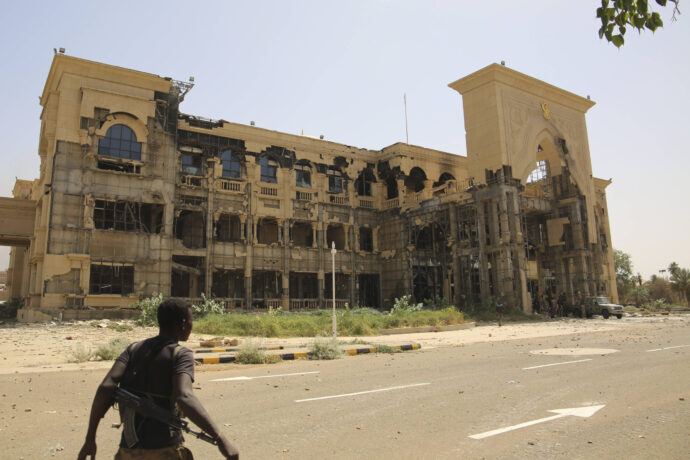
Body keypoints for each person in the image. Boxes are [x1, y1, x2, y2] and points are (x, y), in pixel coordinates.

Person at [77, 299, 239, 460]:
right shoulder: (181, 355)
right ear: (183, 324)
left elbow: (106, 388)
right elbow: (184, 396)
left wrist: (90, 438)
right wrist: (220, 439)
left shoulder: (133, 349)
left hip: (127, 451)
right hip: (164, 449)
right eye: (191, 321)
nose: (192, 325)